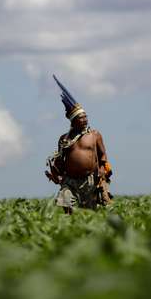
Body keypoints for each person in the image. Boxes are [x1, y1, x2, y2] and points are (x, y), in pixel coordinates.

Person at [46, 75, 113, 212]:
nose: (85, 120)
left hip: (89, 180)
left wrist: (101, 171)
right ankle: (68, 226)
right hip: (69, 181)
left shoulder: (94, 135)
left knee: (89, 212)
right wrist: (55, 173)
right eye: (81, 118)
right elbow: (59, 161)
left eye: (85, 117)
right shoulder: (64, 139)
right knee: (66, 202)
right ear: (73, 121)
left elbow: (103, 156)